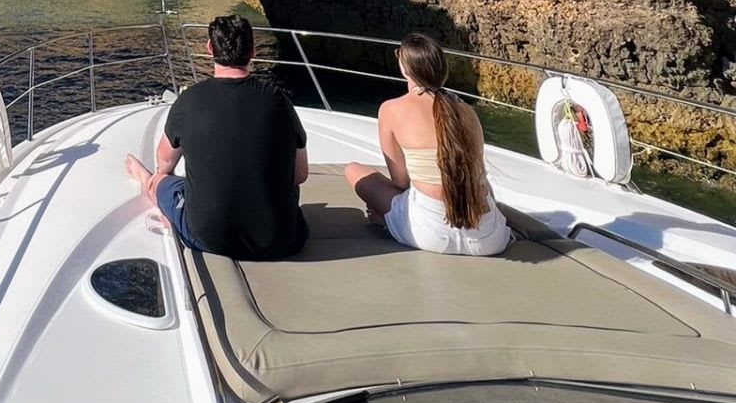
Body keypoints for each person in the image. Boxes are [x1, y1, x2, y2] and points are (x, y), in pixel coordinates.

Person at [125, 13, 308, 258]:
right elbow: (300, 175)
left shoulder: (189, 101)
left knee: (161, 180)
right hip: (280, 240)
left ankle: (152, 189)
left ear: (210, 48)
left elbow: (165, 162)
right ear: (253, 52)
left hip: (209, 238)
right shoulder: (279, 102)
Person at [343, 33, 510, 256]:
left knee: (353, 170)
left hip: (430, 233)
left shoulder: (391, 109)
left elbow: (401, 182)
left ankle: (387, 222)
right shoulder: (468, 112)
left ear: (405, 68)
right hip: (489, 238)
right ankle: (391, 219)